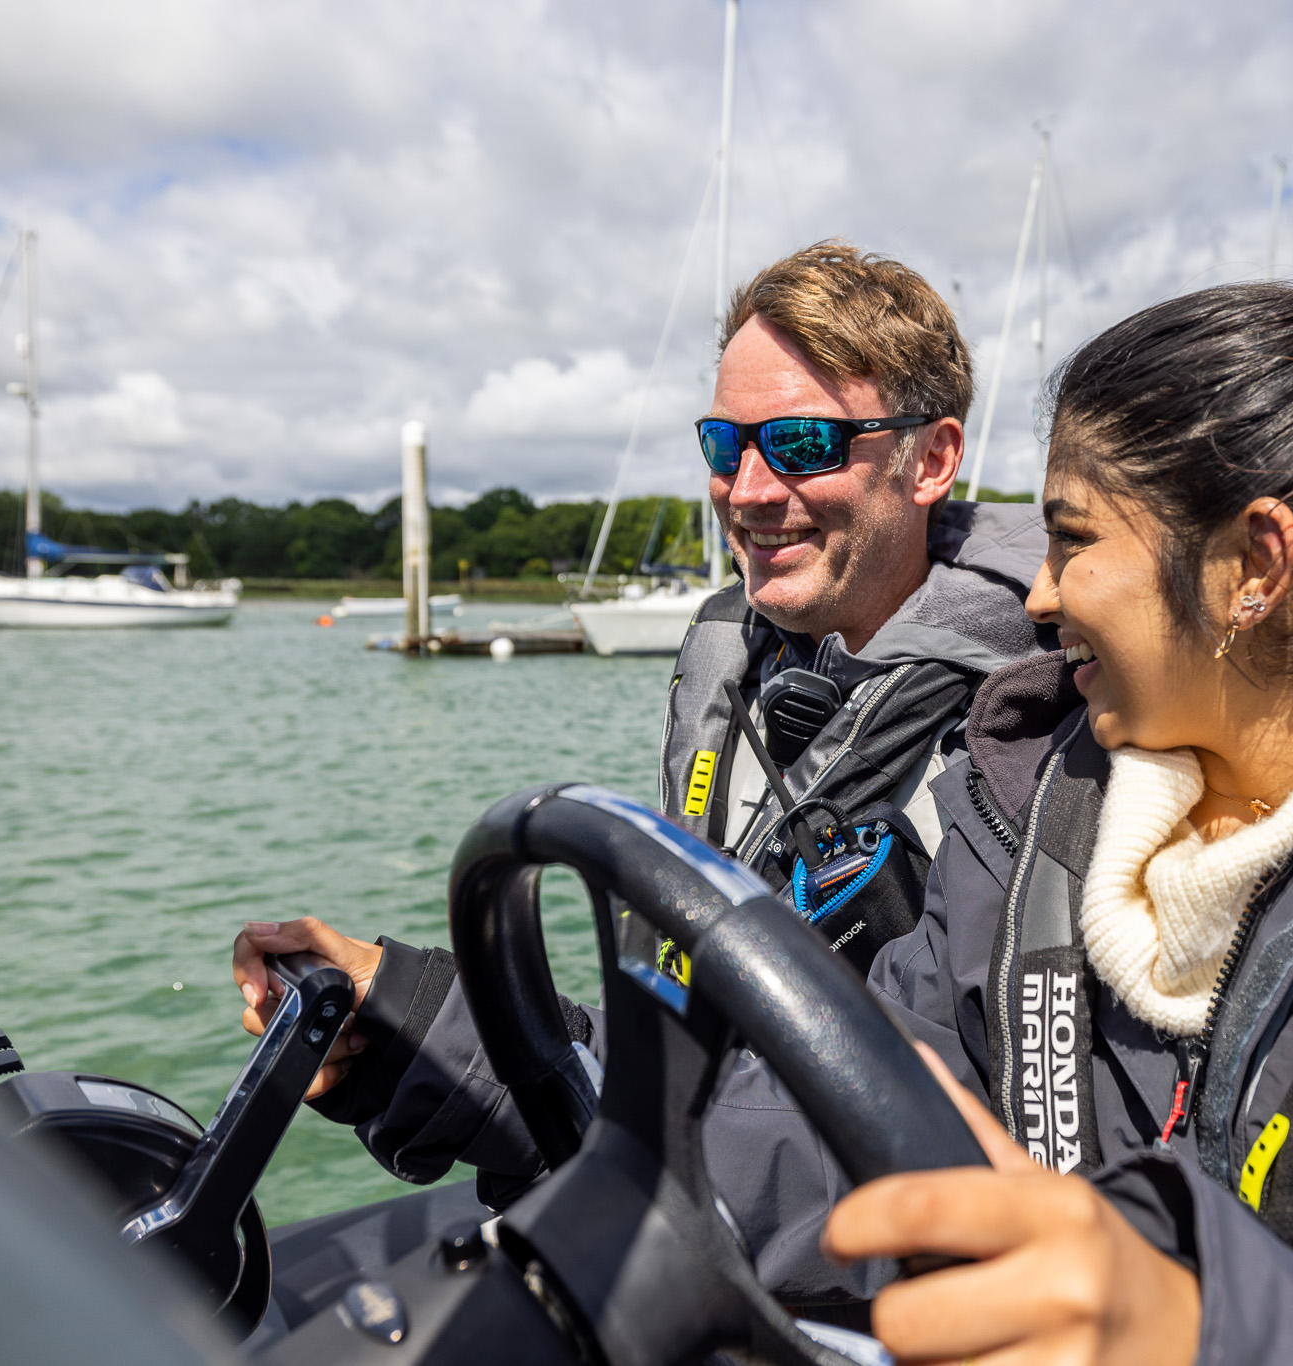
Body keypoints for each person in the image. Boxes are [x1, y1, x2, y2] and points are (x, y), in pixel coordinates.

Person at [254, 282, 1293, 1366]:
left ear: (1255, 564)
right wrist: (432, 1033)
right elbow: (795, 1148)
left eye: (1074, 538)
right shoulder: (1027, 826)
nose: (1040, 591)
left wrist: (1188, 1327)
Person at [231, 240, 1047, 1127]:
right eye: (724, 444)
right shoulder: (732, 671)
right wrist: (394, 1020)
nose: (750, 490)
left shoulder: (1033, 724)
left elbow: (889, 1129)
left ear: (931, 461)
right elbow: (670, 1050)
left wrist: (458, 1048)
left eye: (803, 443)